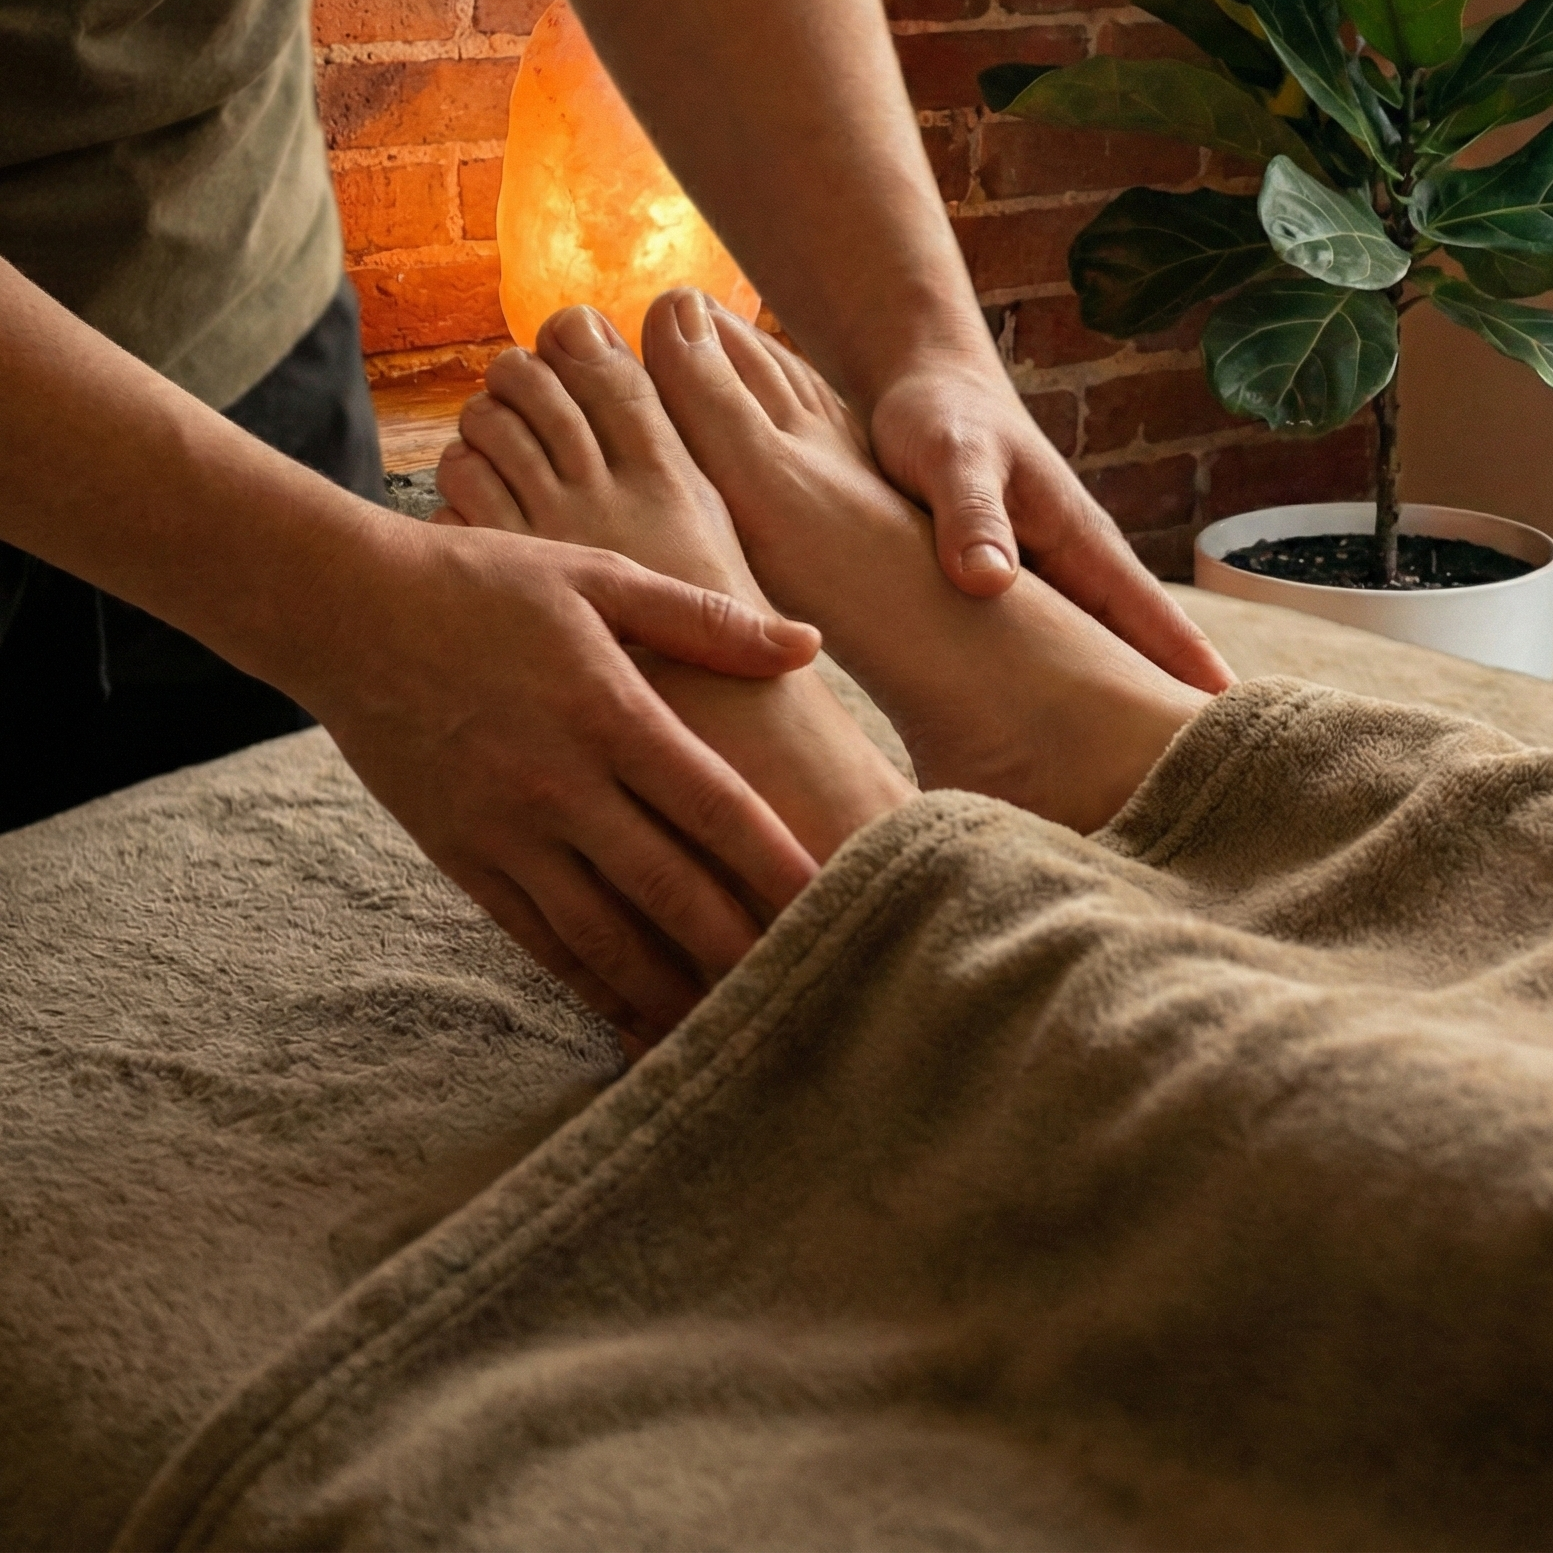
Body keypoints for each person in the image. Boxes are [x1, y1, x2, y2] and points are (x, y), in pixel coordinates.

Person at [0, 0, 1230, 1046]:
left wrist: (924, 342)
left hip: (229, 295)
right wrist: (339, 608)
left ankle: (965, 869)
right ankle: (939, 854)